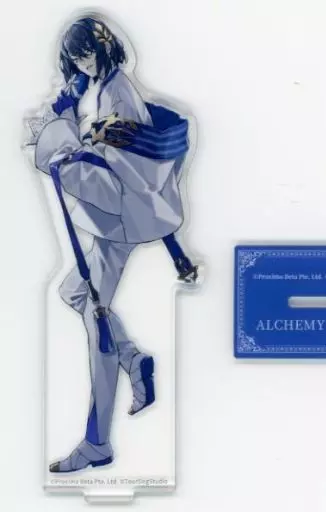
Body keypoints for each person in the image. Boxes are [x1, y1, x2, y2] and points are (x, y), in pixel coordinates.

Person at [26, 16, 196, 472]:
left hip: (121, 221)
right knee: (72, 293)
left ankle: (97, 441)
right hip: (121, 218)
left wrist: (63, 155)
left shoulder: (118, 93)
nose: (83, 62)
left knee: (95, 320)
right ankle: (133, 358)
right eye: (76, 57)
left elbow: (126, 178)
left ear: (103, 47)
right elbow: (108, 154)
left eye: (87, 52)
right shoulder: (104, 87)